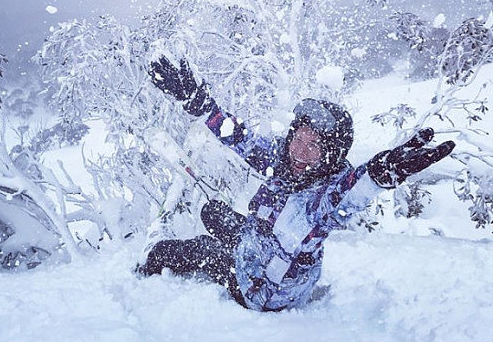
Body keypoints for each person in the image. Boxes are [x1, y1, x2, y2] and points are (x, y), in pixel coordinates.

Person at [138, 57, 456, 312]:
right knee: (213, 212)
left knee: (196, 249)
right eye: (298, 139)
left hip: (264, 289)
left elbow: (350, 193)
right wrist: (200, 102)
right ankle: (236, 239)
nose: (300, 151)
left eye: (313, 146)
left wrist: (376, 177)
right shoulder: (284, 161)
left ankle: (143, 272)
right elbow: (237, 136)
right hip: (260, 243)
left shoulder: (325, 194)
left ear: (330, 155)